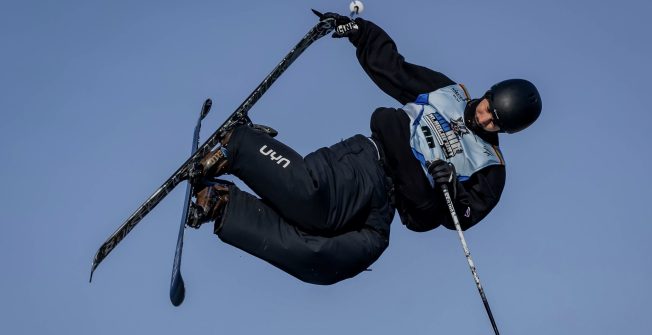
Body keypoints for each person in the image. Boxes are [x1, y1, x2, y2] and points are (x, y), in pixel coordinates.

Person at [187, 13, 542, 285]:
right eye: (487, 106)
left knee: (328, 262)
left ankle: (224, 205)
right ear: (490, 92)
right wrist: (361, 32)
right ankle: (240, 145)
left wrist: (449, 185)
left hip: (387, 211)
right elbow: (395, 71)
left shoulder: (490, 169)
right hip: (369, 163)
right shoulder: (446, 93)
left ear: (507, 130)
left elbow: (462, 219)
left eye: (496, 122)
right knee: (314, 201)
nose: (484, 118)